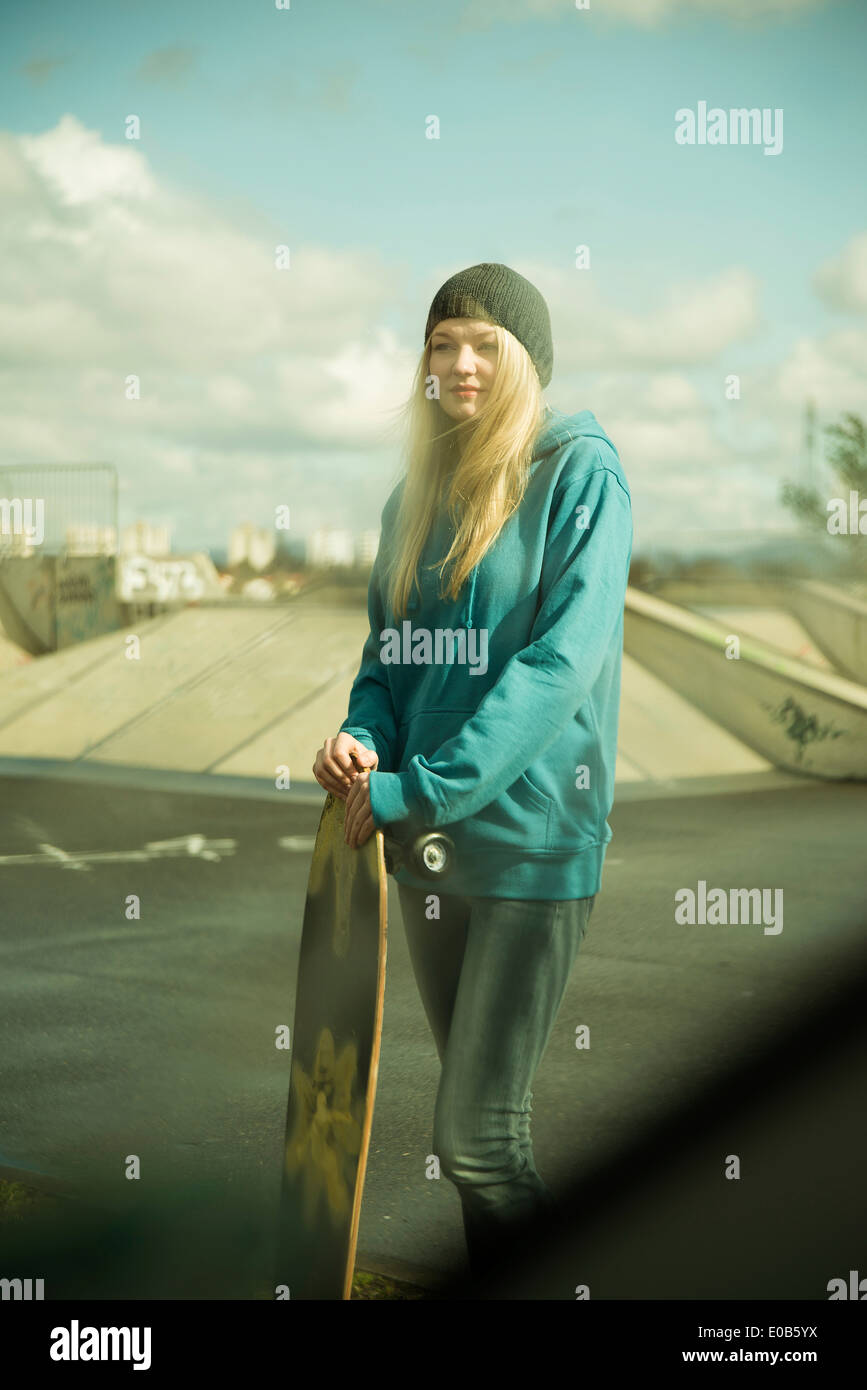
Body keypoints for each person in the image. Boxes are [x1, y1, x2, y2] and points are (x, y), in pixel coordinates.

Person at [312, 262, 633, 1281]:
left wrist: (422, 785)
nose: (458, 362)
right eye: (442, 342)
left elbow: (558, 667)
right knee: (483, 1141)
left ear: (526, 362)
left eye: (484, 345)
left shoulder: (582, 474)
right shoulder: (416, 496)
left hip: (532, 845)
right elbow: (386, 656)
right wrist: (364, 738)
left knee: (479, 1138)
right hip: (428, 851)